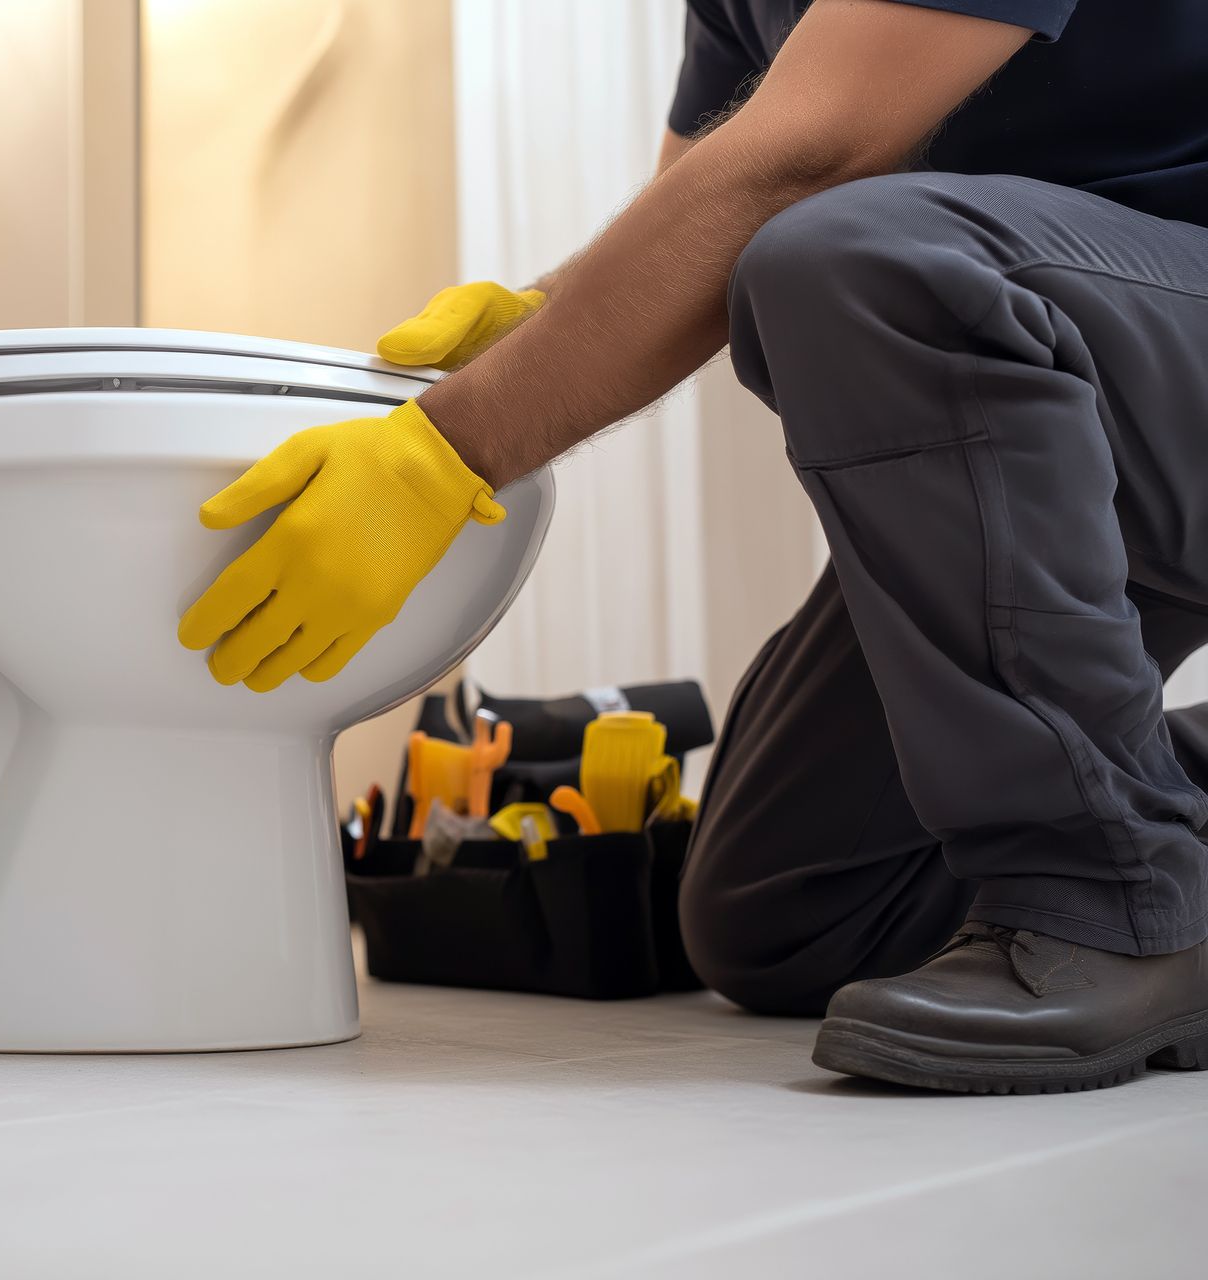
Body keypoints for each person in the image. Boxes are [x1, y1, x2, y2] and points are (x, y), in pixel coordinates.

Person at [176, 0, 1208, 1094]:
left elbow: (806, 160)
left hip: (1148, 368)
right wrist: (545, 312)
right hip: (1062, 417)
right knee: (789, 910)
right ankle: (1141, 826)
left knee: (856, 256)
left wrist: (443, 454)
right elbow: (707, 211)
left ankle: (1115, 903)